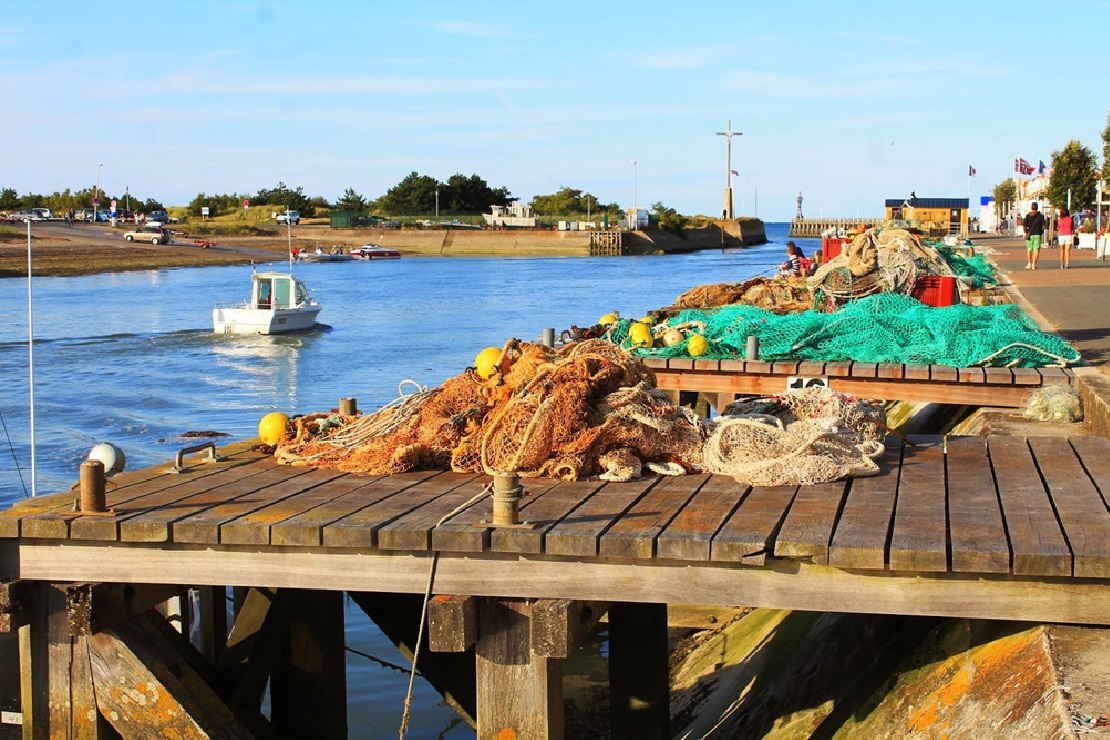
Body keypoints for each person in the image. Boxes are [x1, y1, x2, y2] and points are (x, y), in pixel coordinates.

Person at [1023, 202, 1045, 269]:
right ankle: (1034, 264)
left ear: (1031, 207)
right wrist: (1041, 232)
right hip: (1037, 234)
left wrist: (1026, 232)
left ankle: (1029, 263)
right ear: (1037, 208)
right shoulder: (1040, 216)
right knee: (1036, 250)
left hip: (1030, 234)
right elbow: (1043, 226)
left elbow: (1024, 226)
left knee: (1029, 249)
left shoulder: (1028, 216)